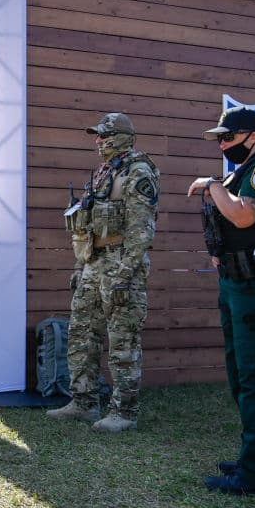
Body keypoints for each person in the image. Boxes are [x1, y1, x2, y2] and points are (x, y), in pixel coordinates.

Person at [186, 105, 255, 496]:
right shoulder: (240, 173)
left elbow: (244, 215)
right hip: (236, 284)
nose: (223, 144)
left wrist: (211, 185)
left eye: (228, 137)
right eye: (219, 139)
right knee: (241, 376)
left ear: (252, 135)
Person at [47, 113, 158, 433]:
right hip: (94, 263)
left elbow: (141, 229)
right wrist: (80, 266)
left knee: (123, 341)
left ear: (123, 137)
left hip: (122, 264)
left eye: (105, 136)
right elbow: (87, 225)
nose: (99, 142)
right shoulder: (103, 172)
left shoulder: (138, 172)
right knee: (82, 334)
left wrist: (126, 274)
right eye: (97, 136)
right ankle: (83, 403)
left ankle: (124, 412)